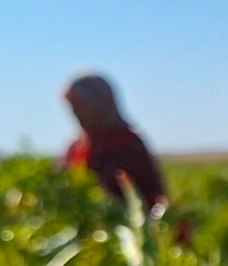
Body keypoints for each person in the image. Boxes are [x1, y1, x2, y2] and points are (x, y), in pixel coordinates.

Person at [61, 73, 168, 210]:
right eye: (72, 106)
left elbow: (154, 199)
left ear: (102, 103)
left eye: (80, 105)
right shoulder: (76, 147)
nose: (75, 112)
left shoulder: (128, 144)